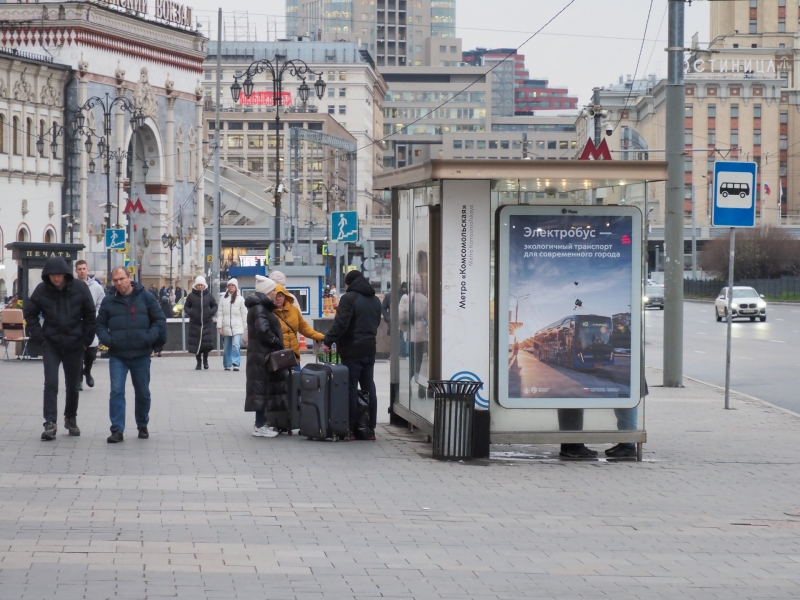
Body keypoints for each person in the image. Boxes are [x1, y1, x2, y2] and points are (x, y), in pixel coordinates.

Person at [23, 256, 96, 440]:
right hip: (51, 343)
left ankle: (70, 418)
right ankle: (50, 422)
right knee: (51, 383)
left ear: (65, 274)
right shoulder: (42, 290)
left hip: (75, 343)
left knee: (73, 385)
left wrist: (85, 341)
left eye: (59, 275)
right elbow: (30, 313)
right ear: (47, 275)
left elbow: (90, 314)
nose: (56, 278)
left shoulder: (80, 288)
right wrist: (40, 338)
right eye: (52, 275)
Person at [96, 267, 166, 443]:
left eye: (122, 279)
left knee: (143, 392)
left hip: (141, 354)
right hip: (118, 354)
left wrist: (148, 338)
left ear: (129, 277)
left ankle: (142, 424)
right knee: (116, 391)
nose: (119, 283)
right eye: (115, 280)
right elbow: (100, 324)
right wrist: (109, 340)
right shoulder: (108, 300)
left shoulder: (146, 297)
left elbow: (159, 321)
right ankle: (117, 429)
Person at [322, 270, 381, 440]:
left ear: (348, 283)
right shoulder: (375, 300)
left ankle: (352, 428)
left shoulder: (348, 298)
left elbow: (341, 324)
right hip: (369, 349)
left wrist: (328, 341)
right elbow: (376, 322)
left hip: (352, 350)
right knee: (369, 387)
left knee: (351, 388)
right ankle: (369, 428)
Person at [244, 276, 286, 438]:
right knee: (261, 389)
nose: (276, 292)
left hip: (260, 354)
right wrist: (276, 342)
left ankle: (261, 423)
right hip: (262, 355)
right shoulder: (260, 308)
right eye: (273, 290)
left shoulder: (260, 307)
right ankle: (260, 425)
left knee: (262, 388)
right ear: (267, 291)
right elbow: (263, 331)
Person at [272, 283, 324, 366]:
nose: (278, 299)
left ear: (285, 296)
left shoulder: (294, 310)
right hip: (277, 357)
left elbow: (304, 327)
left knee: (297, 374)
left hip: (293, 356)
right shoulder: (269, 312)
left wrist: (320, 337)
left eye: (280, 296)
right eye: (275, 296)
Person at [74, 260, 105, 390]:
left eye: (84, 268)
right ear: (76, 271)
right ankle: (79, 379)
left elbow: (101, 303)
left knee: (91, 352)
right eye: (79, 269)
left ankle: (87, 371)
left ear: (87, 269)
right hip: (76, 324)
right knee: (78, 353)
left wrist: (95, 316)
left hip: (91, 323)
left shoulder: (96, 287)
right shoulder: (72, 285)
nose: (82, 271)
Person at [184, 276, 218, 370]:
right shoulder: (191, 296)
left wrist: (210, 313)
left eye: (201, 285)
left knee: (205, 344)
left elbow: (215, 305)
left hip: (206, 323)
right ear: (195, 285)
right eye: (198, 285)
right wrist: (191, 313)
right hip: (195, 323)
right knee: (197, 344)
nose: (200, 286)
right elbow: (186, 307)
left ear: (204, 285)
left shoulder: (209, 295)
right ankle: (198, 363)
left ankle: (205, 361)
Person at [218, 278, 247, 371]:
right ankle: (227, 364)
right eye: (229, 285)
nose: (230, 287)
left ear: (236, 287)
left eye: (232, 285)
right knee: (227, 346)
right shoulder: (223, 299)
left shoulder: (240, 299)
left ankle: (236, 363)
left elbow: (244, 314)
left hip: (238, 326)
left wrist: (245, 326)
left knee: (236, 345)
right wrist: (219, 326)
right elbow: (220, 313)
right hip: (226, 326)